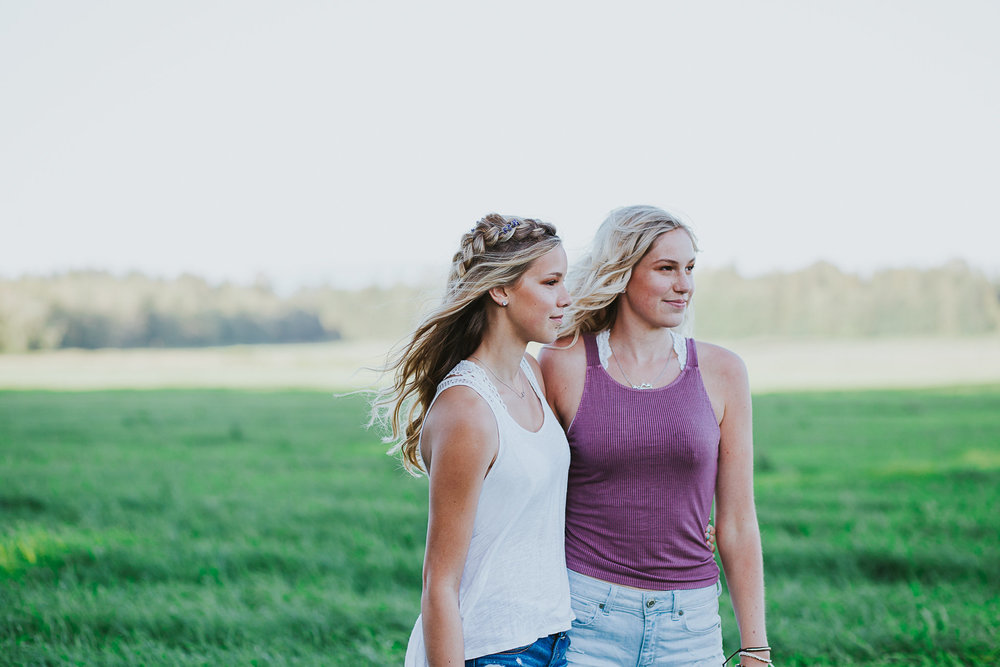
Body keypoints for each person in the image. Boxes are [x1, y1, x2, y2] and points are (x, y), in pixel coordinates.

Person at [538, 205, 770, 667]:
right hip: (586, 616)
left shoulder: (723, 372)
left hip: (690, 624)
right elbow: (533, 492)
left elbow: (739, 521)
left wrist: (756, 647)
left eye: (689, 268)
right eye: (666, 269)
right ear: (622, 273)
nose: (684, 285)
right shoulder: (561, 363)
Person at [372, 213, 575, 666]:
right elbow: (439, 583)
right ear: (500, 290)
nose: (565, 298)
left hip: (552, 638)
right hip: (493, 649)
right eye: (550, 282)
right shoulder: (467, 410)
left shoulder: (530, 373)